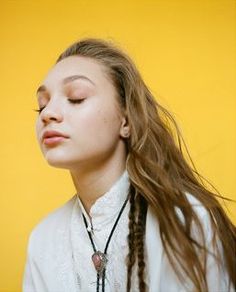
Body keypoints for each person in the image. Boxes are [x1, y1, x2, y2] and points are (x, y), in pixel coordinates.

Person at [22, 38, 236, 292]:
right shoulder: (42, 240)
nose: (48, 113)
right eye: (42, 105)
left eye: (76, 98)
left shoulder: (184, 221)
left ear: (126, 120)